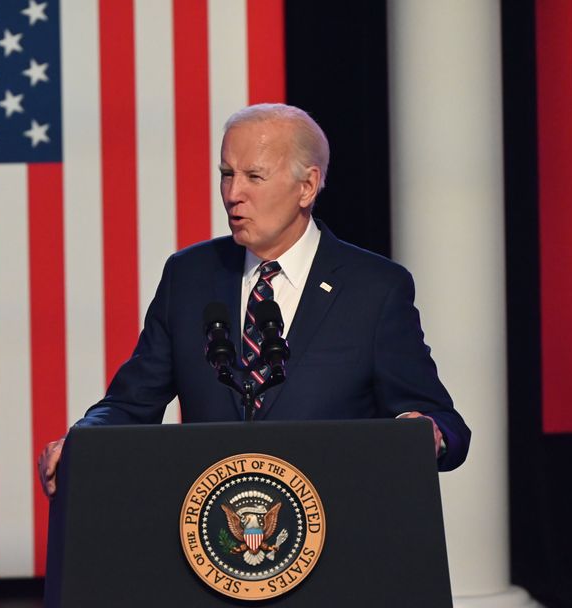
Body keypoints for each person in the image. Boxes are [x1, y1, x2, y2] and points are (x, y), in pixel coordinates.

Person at [39, 103, 470, 496]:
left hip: (334, 540)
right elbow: (131, 404)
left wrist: (428, 433)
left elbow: (444, 425)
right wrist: (83, 440)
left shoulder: (375, 289)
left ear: (307, 186)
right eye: (227, 173)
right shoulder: (189, 277)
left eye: (254, 176)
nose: (232, 193)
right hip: (211, 540)